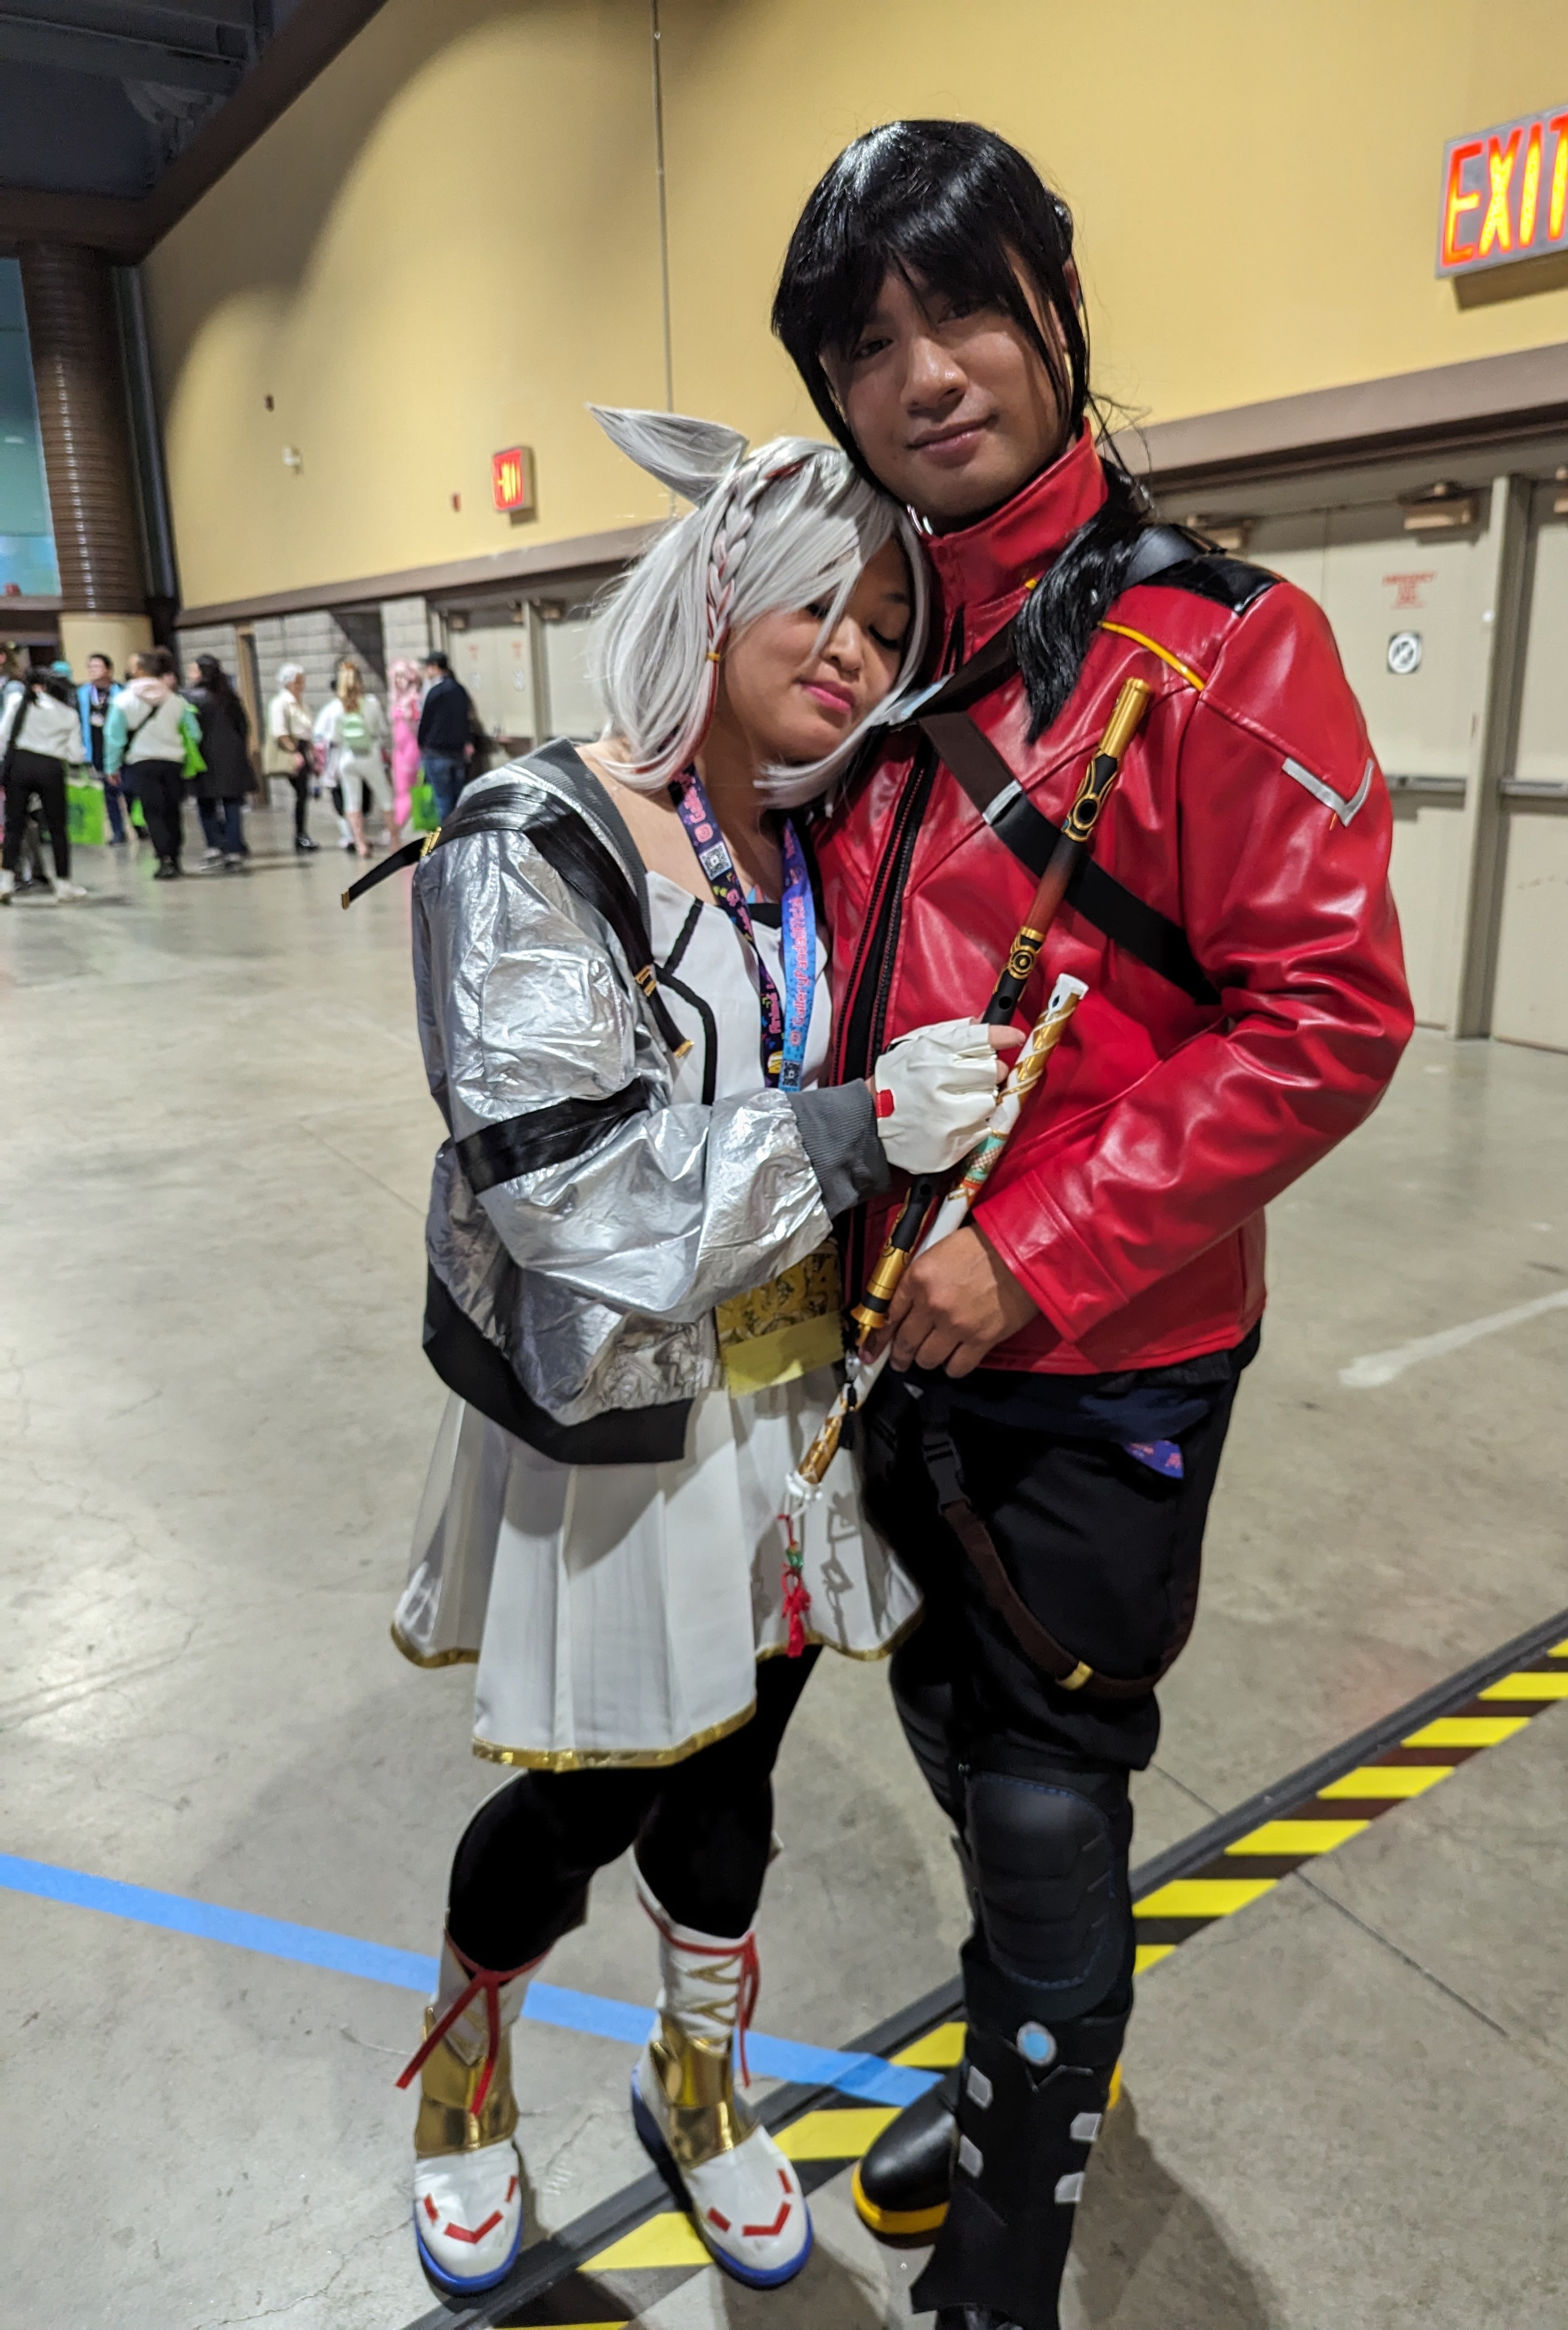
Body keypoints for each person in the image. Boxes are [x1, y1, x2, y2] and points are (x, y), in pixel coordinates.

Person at [771, 122, 1415, 2330]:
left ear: (1055, 305)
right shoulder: (867, 659)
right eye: (870, 344)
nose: (927, 373)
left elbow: (1328, 1015)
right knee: (955, 1739)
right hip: (891, 1335)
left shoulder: (1226, 643)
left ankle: (1008, 2262)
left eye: (966, 308)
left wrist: (1036, 1252)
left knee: (1050, 1792)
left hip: (1098, 1351)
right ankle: (1028, 2063)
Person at [386, 403, 1018, 2299]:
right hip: (619, 1425)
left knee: (736, 1783)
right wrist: (857, 1129)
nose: (854, 654)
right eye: (819, 605)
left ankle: (700, 2078)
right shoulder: (532, 836)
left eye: (888, 627)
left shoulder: (830, 836)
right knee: (585, 1795)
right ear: (715, 589)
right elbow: (566, 1190)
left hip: (804, 1410)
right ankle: (460, 2093)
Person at [110, 646, 200, 880]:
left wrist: (111, 766)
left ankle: (164, 859)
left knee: (153, 812)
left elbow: (114, 738)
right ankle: (176, 857)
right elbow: (194, 733)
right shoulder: (176, 700)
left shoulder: (122, 701)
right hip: (174, 762)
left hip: (142, 762)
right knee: (172, 810)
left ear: (139, 670)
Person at [0, 665, 87, 903]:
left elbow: (4, 735)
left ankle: (5, 881)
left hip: (19, 765)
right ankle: (64, 885)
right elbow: (76, 755)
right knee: (58, 828)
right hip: (51, 768)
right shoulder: (68, 714)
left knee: (14, 825)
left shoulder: (19, 701)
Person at [312, 658, 390, 860]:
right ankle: (396, 841)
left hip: (347, 758)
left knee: (352, 802)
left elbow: (334, 738)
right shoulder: (371, 703)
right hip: (370, 756)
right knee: (385, 798)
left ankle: (360, 844)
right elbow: (383, 729)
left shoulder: (337, 708)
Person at [186, 654, 255, 870]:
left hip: (203, 757)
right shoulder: (229, 696)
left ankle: (215, 846)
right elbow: (243, 726)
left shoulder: (191, 698)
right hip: (232, 757)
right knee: (232, 804)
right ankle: (234, 849)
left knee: (206, 804)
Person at [76, 653, 131, 846]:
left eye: (97, 667)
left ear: (109, 670)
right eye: (90, 667)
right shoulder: (83, 693)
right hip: (97, 748)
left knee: (129, 790)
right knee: (109, 792)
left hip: (122, 748)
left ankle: (138, 825)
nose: (93, 670)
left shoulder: (122, 691)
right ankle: (118, 831)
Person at [264, 661, 318, 854]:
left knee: (304, 793)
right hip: (290, 748)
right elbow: (280, 732)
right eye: (298, 681)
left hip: (302, 746)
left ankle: (302, 834)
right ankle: (300, 835)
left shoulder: (301, 702)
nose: (301, 685)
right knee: (301, 792)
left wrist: (312, 750)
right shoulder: (280, 703)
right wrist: (294, 752)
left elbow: (306, 729)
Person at [415, 649, 472, 820]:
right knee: (457, 799)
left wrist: (421, 743)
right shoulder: (460, 690)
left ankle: (446, 835)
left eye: (427, 667)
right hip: (457, 752)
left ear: (434, 667)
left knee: (443, 800)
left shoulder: (436, 691)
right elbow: (466, 719)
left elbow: (425, 722)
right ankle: (458, 832)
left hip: (436, 753)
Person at [386, 657, 424, 845]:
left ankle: (399, 827)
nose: (399, 681)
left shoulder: (415, 700)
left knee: (410, 790)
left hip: (412, 750)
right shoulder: (397, 700)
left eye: (403, 677)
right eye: (397, 677)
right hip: (399, 751)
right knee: (401, 790)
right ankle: (398, 829)